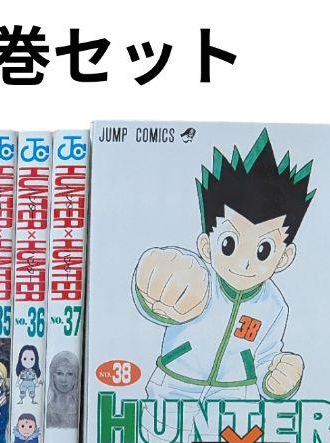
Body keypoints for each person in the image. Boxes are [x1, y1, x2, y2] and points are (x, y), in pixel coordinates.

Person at [133, 128, 313, 419]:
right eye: (229, 244)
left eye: (263, 250)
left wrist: (278, 381)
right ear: (206, 246)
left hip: (234, 399)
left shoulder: (275, 306)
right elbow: (164, 304)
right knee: (156, 441)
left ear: (284, 257)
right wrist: (155, 283)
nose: (244, 263)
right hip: (174, 386)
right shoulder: (197, 280)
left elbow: (265, 357)